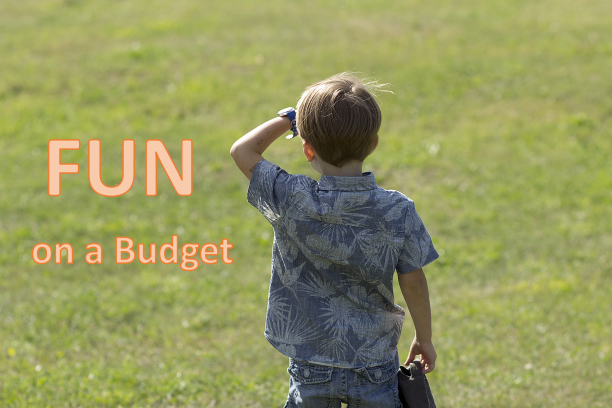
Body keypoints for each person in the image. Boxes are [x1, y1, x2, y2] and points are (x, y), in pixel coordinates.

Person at [230, 73, 439, 408]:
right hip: (374, 362)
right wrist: (424, 338)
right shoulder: (397, 210)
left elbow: (242, 150)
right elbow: (413, 280)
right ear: (373, 144)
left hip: (310, 360)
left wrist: (289, 119)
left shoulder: (291, 199)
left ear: (307, 149)